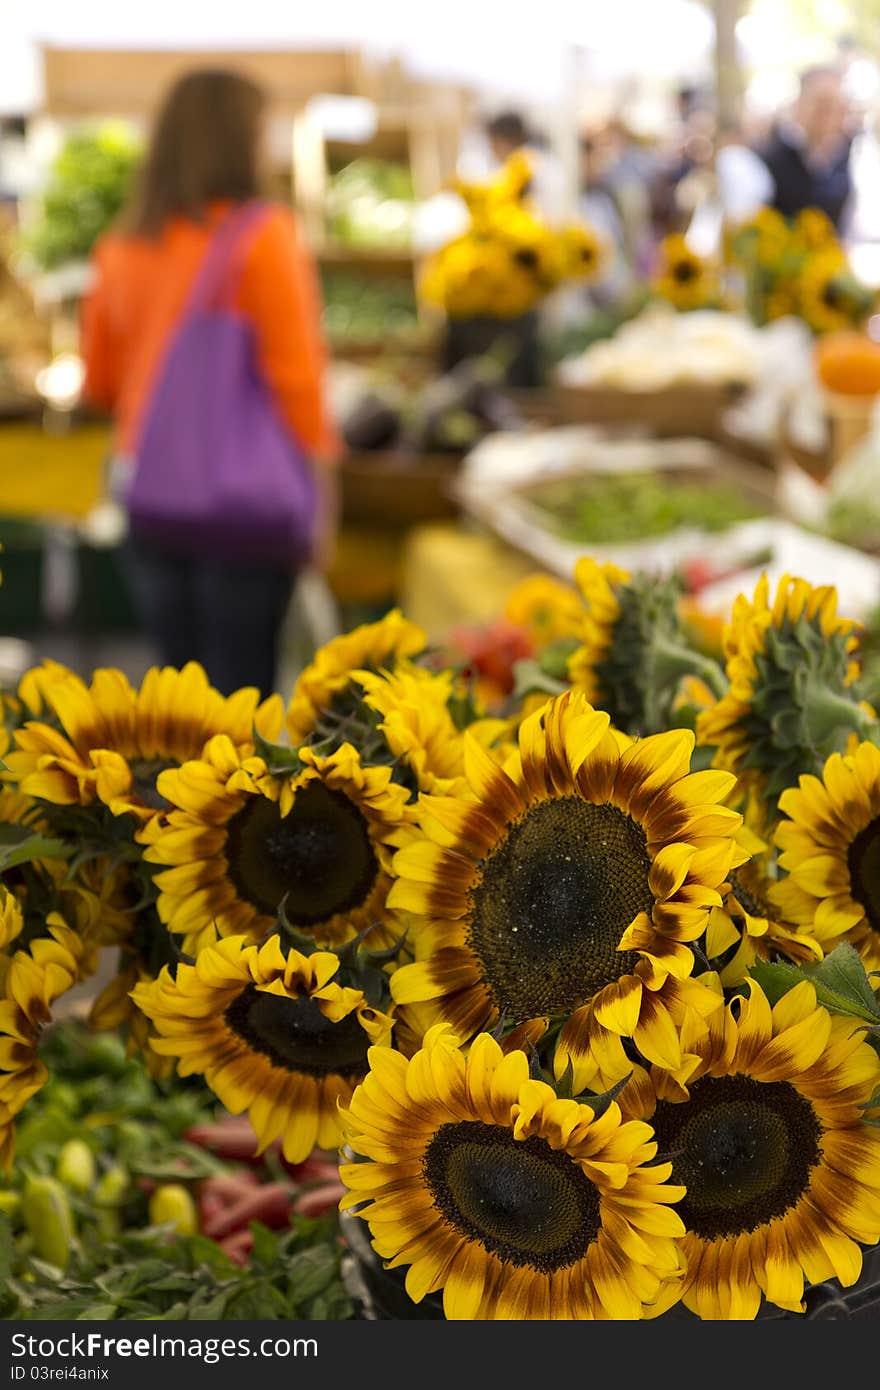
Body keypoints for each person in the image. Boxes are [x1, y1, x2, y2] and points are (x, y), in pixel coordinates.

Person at [81, 68, 338, 696]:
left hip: (146, 485)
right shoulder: (262, 236)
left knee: (180, 696)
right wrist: (325, 500)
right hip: (244, 503)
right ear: (236, 139)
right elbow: (298, 385)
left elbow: (100, 383)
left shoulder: (122, 245)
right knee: (243, 699)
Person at [756, 67, 854, 228]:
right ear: (799, 104)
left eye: (837, 104)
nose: (830, 112)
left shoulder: (849, 155)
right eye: (822, 103)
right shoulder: (768, 158)